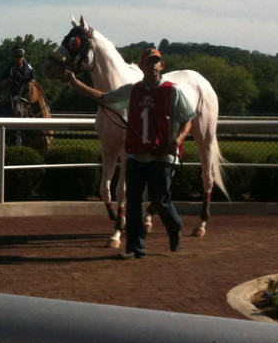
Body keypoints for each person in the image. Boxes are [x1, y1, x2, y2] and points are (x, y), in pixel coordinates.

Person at [64, 47, 195, 259]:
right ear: (141, 66)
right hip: (136, 154)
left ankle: (175, 226)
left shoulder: (173, 91)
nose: (152, 65)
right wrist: (75, 83)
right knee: (133, 201)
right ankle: (135, 248)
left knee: (160, 200)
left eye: (156, 61)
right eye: (148, 61)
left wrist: (178, 140)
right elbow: (103, 98)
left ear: (162, 66)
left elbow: (187, 119)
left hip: (162, 155)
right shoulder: (132, 91)